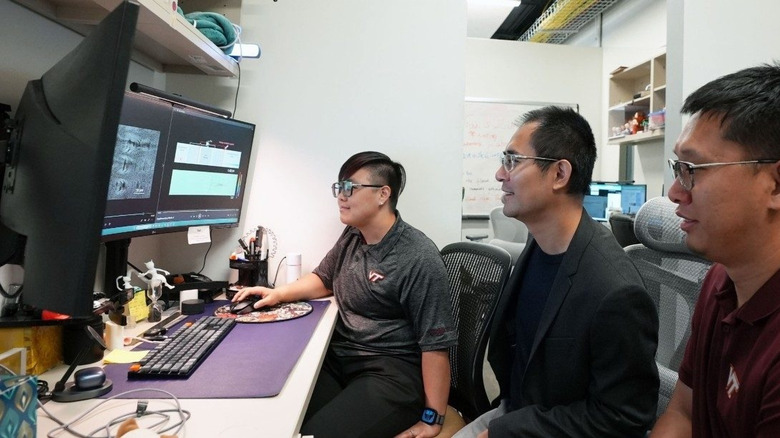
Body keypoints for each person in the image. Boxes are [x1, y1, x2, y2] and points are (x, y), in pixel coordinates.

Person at [454, 106, 659, 438]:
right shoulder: (539, 246)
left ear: (559, 174)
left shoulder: (614, 290)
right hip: (516, 412)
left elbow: (622, 418)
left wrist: (509, 431)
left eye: (512, 161)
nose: (499, 174)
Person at [232, 151, 457, 438]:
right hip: (343, 358)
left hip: (391, 372)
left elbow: (435, 346)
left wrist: (433, 418)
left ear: (382, 195)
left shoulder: (418, 257)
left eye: (350, 187)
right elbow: (324, 278)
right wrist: (279, 294)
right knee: (276, 414)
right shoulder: (353, 234)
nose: (341, 196)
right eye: (339, 188)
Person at [650, 64, 780, 437]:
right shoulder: (720, 281)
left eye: (693, 168)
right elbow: (684, 414)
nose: (675, 192)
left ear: (775, 185)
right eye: (678, 167)